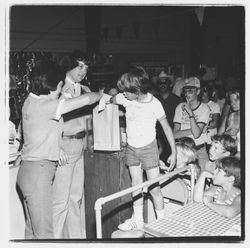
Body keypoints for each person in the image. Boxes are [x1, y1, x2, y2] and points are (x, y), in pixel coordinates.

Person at [16, 59, 103, 239]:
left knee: (33, 230)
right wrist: (100, 94)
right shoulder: (49, 106)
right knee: (45, 234)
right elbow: (87, 99)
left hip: (27, 171)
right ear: (56, 85)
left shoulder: (29, 101)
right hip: (40, 172)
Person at [110, 66, 176, 230]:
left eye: (126, 91)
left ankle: (162, 224)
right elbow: (112, 99)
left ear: (137, 90)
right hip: (132, 148)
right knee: (136, 184)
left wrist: (174, 152)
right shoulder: (126, 98)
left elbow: (167, 128)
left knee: (154, 188)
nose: (123, 94)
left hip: (148, 149)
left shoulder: (154, 104)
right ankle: (138, 220)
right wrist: (105, 99)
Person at [52, 50, 93, 239]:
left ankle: (76, 240)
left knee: (75, 198)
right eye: (80, 66)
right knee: (60, 202)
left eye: (86, 67)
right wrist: (56, 146)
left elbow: (87, 119)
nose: (83, 71)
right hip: (65, 146)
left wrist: (88, 142)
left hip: (80, 144)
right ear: (69, 66)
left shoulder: (83, 90)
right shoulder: (58, 89)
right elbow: (50, 120)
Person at [173, 77, 210, 171]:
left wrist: (190, 113)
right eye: (185, 91)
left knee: (201, 179)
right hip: (183, 150)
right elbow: (174, 134)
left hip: (199, 151)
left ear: (198, 92)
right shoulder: (179, 107)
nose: (187, 94)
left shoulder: (204, 108)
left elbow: (197, 135)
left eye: (190, 91)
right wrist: (195, 130)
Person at [155, 71, 181, 163]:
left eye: (165, 82)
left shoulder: (177, 100)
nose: (162, 85)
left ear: (170, 84)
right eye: (160, 83)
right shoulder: (153, 100)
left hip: (173, 138)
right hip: (157, 139)